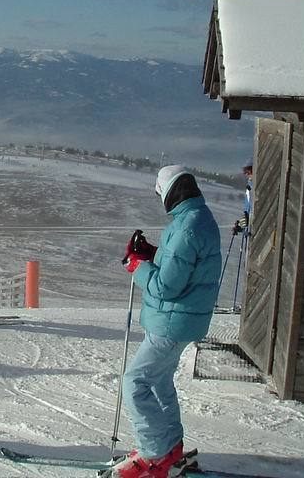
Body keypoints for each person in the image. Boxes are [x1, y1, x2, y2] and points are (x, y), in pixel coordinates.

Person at [109, 165, 221, 478]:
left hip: (172, 321)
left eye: (161, 193)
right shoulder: (197, 218)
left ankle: (155, 451)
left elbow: (165, 286)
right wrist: (152, 254)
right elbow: (181, 263)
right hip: (180, 320)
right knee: (159, 382)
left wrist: (136, 265)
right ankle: (169, 445)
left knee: (135, 383)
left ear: (171, 192)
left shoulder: (186, 228)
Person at [232, 158, 253, 236]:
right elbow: (247, 211)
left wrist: (247, 219)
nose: (246, 175)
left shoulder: (256, 188)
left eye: (248, 172)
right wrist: (241, 226)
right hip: (250, 232)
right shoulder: (249, 187)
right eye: (245, 172)